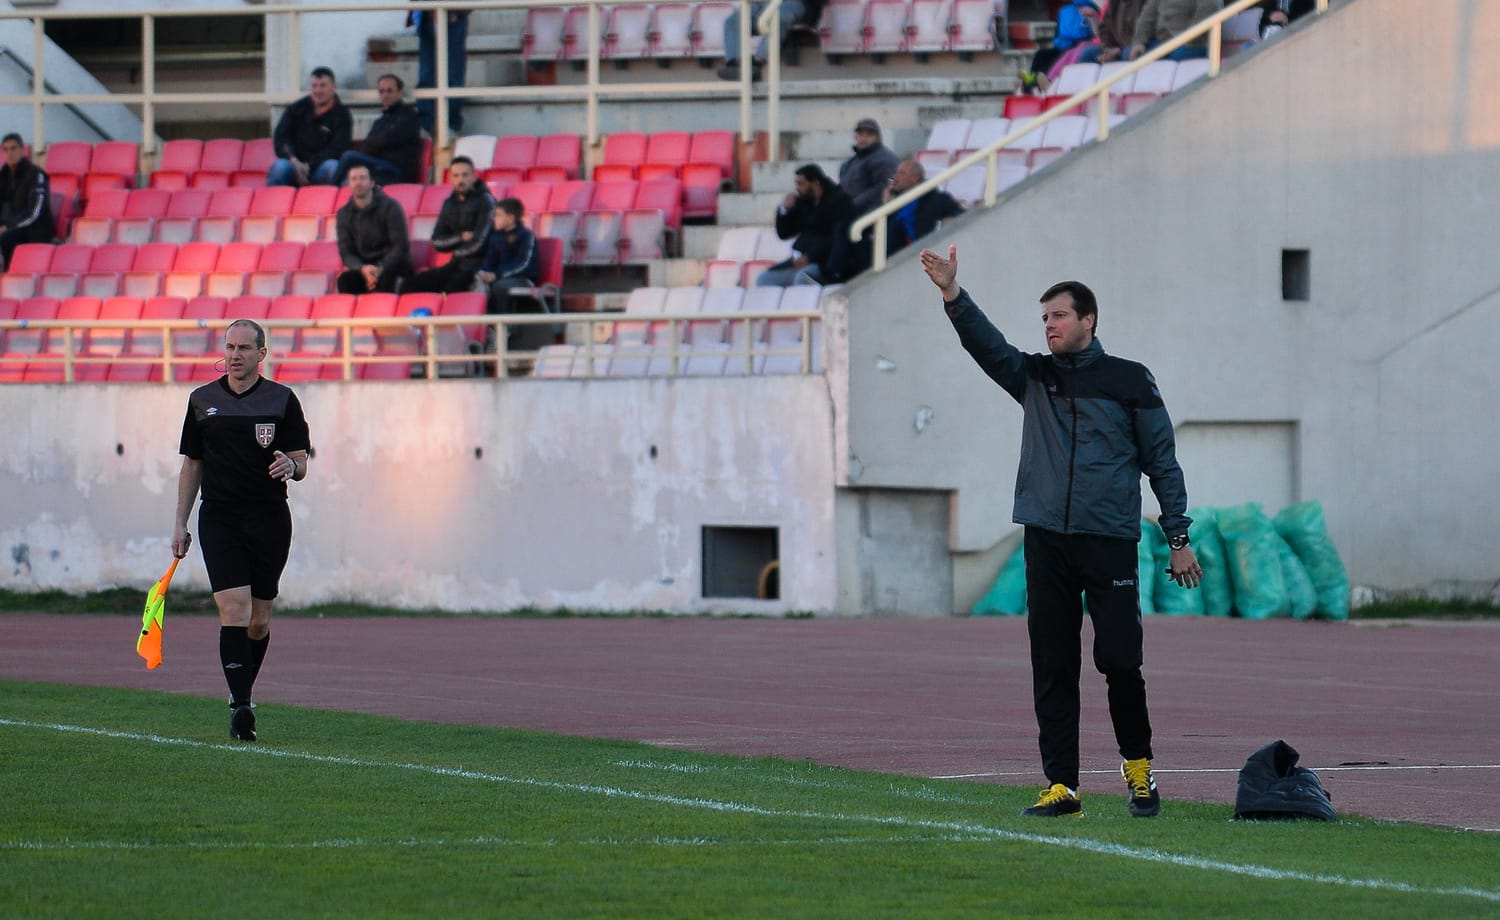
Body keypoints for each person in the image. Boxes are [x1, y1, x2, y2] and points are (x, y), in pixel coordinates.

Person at [918, 244, 1202, 819]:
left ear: (1088, 320)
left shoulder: (1130, 380)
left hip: (1109, 539)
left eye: (1059, 316)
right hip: (1046, 538)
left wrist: (1178, 539)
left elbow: (1162, 463)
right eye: (1043, 318)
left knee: (1120, 660)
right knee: (1052, 663)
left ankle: (1139, 769)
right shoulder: (1034, 376)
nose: (1048, 325)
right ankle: (1062, 787)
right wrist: (952, 294)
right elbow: (987, 346)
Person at [173, 318, 310, 742]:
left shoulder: (282, 400)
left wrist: (291, 465)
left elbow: (301, 459)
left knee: (259, 621)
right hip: (219, 518)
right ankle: (241, 706)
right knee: (234, 610)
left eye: (244, 349)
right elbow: (192, 464)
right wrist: (179, 521)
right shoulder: (201, 401)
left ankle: (243, 696)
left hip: (269, 517)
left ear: (261, 355)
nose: (234, 355)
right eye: (229, 347)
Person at [402, 156, 494, 294]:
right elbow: (437, 241)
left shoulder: (486, 201)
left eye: (465, 175)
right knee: (410, 284)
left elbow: (481, 241)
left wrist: (456, 250)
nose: (460, 180)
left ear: (474, 177)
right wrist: (460, 238)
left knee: (453, 287)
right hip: (456, 264)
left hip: (480, 266)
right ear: (450, 178)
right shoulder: (449, 203)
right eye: (456, 176)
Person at [757, 163, 851, 288]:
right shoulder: (803, 203)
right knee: (764, 279)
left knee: (803, 278)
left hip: (823, 262)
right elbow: (784, 233)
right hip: (798, 261)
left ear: (816, 183)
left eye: (801, 184)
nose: (797, 188)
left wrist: (810, 257)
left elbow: (838, 237)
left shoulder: (839, 201)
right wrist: (785, 210)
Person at [334, 164, 413, 295]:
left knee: (387, 278)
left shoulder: (391, 207)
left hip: (391, 266)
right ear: (348, 184)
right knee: (345, 280)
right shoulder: (343, 214)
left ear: (372, 183)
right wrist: (362, 269)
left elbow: (400, 246)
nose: (358, 182)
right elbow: (346, 252)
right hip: (364, 268)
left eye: (363, 178)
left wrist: (380, 268)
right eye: (354, 179)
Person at [333, 74, 423, 188]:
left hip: (397, 171)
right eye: (382, 91)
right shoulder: (381, 120)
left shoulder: (409, 116)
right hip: (381, 167)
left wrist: (371, 145)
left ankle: (330, 192)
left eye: (389, 91)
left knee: (349, 157)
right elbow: (373, 143)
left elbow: (385, 140)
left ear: (400, 93)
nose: (385, 95)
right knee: (351, 170)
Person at [268, 67, 353, 187]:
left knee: (333, 167)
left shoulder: (342, 114)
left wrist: (309, 166)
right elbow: (281, 139)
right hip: (294, 166)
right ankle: (272, 205)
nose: (318, 90)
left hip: (320, 168)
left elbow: (337, 148)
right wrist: (293, 160)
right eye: (314, 86)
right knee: (280, 167)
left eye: (323, 85)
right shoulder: (296, 108)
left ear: (334, 87)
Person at [716, 0, 828, 81]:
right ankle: (734, 64)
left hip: (799, 3)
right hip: (765, 3)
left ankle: (757, 63)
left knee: (778, 17)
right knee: (733, 21)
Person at [409, 0, 470, 135]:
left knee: (452, 76)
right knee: (426, 76)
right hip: (426, 16)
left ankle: (449, 126)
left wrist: (457, 11)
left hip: (452, 16)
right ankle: (428, 125)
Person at [883, 159, 964, 257]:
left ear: (914, 179)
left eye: (901, 173)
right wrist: (886, 206)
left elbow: (962, 216)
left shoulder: (938, 199)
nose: (895, 177)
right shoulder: (894, 202)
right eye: (896, 172)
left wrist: (950, 220)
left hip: (919, 255)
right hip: (893, 256)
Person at [0, 133, 56, 268]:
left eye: (13, 148)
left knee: (7, 238)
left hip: (36, 228)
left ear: (22, 150)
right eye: (5, 150)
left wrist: (8, 227)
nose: (10, 153)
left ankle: (11, 274)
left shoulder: (36, 174)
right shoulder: (3, 176)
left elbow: (35, 211)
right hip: (10, 226)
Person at [1018, 1, 1099, 94]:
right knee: (1040, 54)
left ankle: (1045, 82)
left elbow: (1093, 35)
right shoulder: (1065, 10)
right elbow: (1058, 34)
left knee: (1055, 62)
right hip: (1062, 46)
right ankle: (1029, 83)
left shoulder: (1093, 9)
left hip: (1078, 46)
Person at [1128, 0, 1222, 61]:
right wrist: (1139, 42)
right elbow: (1146, 18)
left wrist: (1186, 37)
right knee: (1129, 53)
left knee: (1179, 54)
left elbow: (1208, 11)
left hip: (1193, 43)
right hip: (1164, 43)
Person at [1079, 0, 1147, 64]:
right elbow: (1106, 29)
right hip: (1118, 47)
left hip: (1140, 43)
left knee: (1127, 53)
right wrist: (1108, 48)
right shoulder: (1114, 2)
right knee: (1088, 55)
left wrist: (1118, 51)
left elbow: (1142, 31)